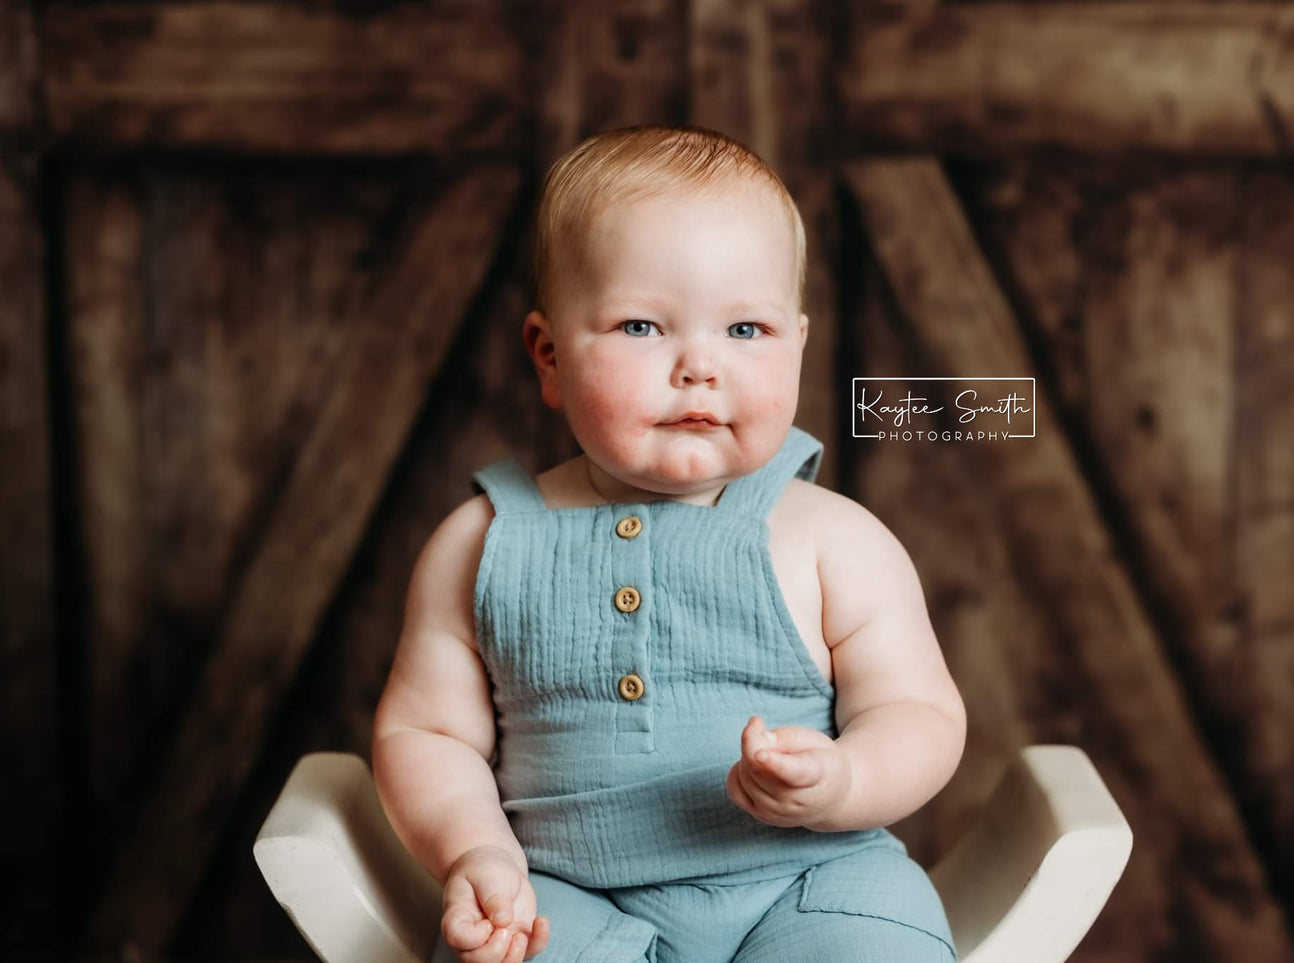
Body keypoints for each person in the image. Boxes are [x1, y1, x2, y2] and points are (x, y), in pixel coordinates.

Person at [373, 125, 967, 963]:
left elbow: (919, 714)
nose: (698, 365)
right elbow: (427, 735)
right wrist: (476, 850)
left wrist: (845, 780)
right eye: (641, 327)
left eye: (746, 331)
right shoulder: (481, 543)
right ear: (548, 356)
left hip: (810, 877)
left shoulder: (832, 538)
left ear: (798, 343)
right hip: (564, 888)